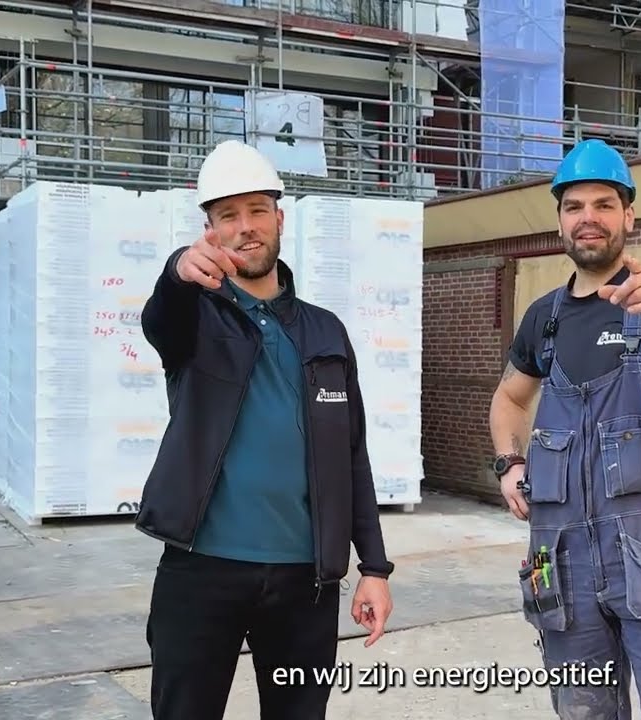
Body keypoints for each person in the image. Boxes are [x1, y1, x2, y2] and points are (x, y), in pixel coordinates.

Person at [136, 139, 395, 720]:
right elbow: (160, 317)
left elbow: (352, 456)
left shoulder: (325, 332)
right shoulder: (194, 319)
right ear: (210, 229)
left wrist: (373, 568)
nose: (245, 227)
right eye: (228, 215)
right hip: (202, 571)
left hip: (306, 582)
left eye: (257, 211)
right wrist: (178, 272)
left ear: (279, 218)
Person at [488, 138, 641, 719]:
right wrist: (509, 463)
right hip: (563, 572)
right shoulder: (544, 319)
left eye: (603, 204)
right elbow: (510, 399)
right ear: (561, 220)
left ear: (628, 216)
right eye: (574, 206)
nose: (588, 217)